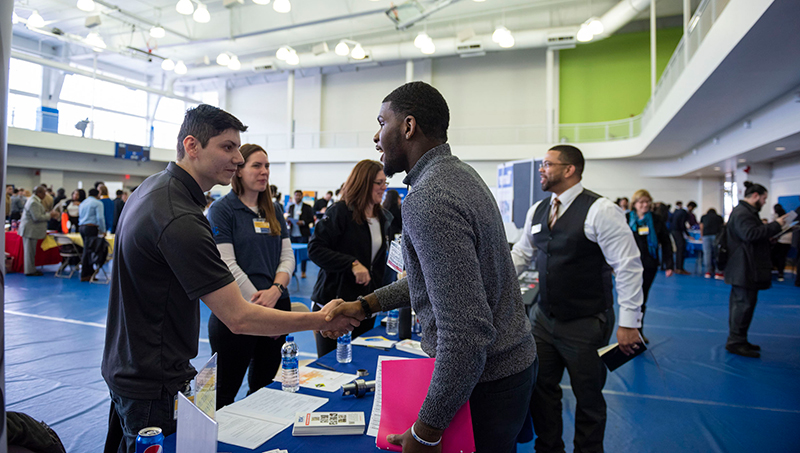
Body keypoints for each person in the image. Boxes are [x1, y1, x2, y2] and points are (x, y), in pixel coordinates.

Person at [101, 104, 358, 453]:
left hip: (132, 368)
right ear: (192, 146)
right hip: (154, 381)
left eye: (239, 148)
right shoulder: (179, 215)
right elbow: (238, 317)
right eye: (227, 147)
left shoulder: (155, 190)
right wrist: (321, 318)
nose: (238, 158)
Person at [323, 82, 537, 453]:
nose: (376, 136)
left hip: (485, 384)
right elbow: (441, 281)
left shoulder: (429, 198)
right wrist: (365, 305)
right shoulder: (460, 175)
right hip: (511, 369)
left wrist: (427, 430)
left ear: (408, 127)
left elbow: (466, 332)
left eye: (381, 122)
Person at [511, 145, 644, 453]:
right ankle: (549, 448)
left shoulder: (601, 210)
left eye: (547, 164)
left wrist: (629, 322)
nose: (541, 169)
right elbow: (521, 254)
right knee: (541, 390)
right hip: (543, 319)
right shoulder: (538, 209)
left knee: (588, 398)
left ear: (569, 170)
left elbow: (627, 266)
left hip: (586, 321)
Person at [206, 144, 295, 409]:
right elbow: (227, 263)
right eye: (257, 166)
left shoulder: (274, 210)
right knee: (224, 393)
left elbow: (287, 257)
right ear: (239, 171)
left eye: (267, 166)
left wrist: (276, 290)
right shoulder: (223, 210)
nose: (264, 172)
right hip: (238, 311)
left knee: (264, 389)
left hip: (277, 307)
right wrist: (261, 307)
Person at [308, 160, 392, 357]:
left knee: (361, 364)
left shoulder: (384, 218)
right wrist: (351, 263)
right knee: (333, 367)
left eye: (384, 182)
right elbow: (315, 249)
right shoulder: (340, 212)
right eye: (379, 183)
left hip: (366, 304)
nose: (384, 188)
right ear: (364, 183)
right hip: (334, 304)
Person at [724, 182, 785, 358]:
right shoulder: (744, 213)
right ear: (756, 196)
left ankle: (739, 339)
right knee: (743, 305)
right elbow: (749, 234)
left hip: (743, 267)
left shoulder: (743, 212)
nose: (765, 202)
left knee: (742, 305)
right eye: (764, 198)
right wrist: (776, 226)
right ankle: (736, 341)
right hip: (744, 268)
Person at [627, 189, 673, 343]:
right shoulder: (626, 218)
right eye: (641, 202)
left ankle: (638, 332)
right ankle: (628, 330)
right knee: (629, 299)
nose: (645, 205)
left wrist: (669, 264)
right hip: (629, 265)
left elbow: (666, 242)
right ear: (635, 204)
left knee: (642, 299)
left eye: (647, 202)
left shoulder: (656, 219)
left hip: (649, 264)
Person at [18, 186, 58, 276]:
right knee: (29, 252)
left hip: (31, 230)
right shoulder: (33, 202)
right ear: (38, 193)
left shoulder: (34, 201)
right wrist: (50, 215)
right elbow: (37, 217)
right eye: (43, 193)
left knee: (31, 252)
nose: (45, 195)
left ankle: (31, 269)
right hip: (30, 230)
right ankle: (29, 271)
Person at [78, 188, 106, 282]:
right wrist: (103, 230)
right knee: (88, 251)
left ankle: (89, 272)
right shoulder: (98, 203)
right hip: (91, 228)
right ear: (98, 195)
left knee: (87, 249)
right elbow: (100, 218)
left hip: (81, 227)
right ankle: (85, 274)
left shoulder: (83, 203)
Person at [286, 190, 314, 278]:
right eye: (296, 195)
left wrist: (303, 222)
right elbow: (289, 217)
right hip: (293, 233)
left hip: (303, 233)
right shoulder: (291, 207)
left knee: (303, 253)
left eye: (299, 195)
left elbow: (311, 220)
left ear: (302, 196)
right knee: (291, 254)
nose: (297, 197)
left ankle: (303, 271)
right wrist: (289, 221)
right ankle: (293, 270)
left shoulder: (307, 207)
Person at [700, 208, 725, 279]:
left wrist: (702, 236)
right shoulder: (719, 217)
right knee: (717, 254)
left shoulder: (703, 217)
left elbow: (701, 227)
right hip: (716, 236)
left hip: (706, 236)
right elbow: (722, 227)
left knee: (707, 253)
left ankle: (708, 272)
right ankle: (718, 272)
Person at [770, 204, 792, 282]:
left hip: (780, 239)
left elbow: (772, 227)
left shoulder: (776, 217)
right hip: (788, 240)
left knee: (775, 256)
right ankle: (780, 273)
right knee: (782, 257)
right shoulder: (788, 216)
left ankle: (777, 271)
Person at [669, 201, 691, 274]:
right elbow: (682, 224)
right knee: (681, 248)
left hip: (673, 230)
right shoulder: (684, 213)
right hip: (677, 231)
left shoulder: (677, 211)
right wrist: (688, 235)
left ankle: (678, 267)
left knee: (679, 249)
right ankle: (679, 268)